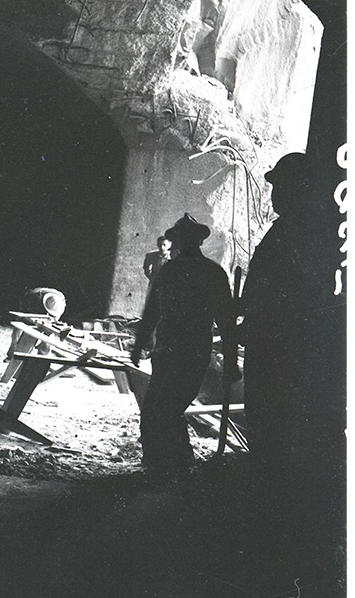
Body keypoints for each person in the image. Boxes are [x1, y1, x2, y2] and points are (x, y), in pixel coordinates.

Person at [239, 152, 341, 480]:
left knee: (275, 421)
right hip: (274, 341)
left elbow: (295, 294)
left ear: (300, 188)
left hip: (282, 347)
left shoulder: (304, 233)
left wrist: (254, 316)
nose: (274, 194)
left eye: (280, 186)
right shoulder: (294, 229)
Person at [128, 214, 237, 476]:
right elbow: (152, 311)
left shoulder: (211, 274)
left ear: (197, 240)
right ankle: (166, 465)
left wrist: (232, 362)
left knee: (164, 408)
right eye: (179, 238)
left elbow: (226, 321)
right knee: (160, 409)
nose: (181, 243)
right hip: (169, 351)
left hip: (190, 351)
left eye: (186, 238)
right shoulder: (173, 271)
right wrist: (140, 343)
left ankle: (174, 465)